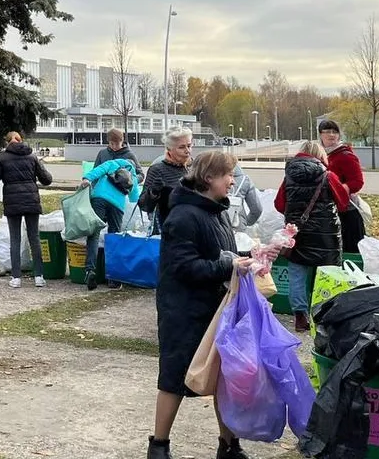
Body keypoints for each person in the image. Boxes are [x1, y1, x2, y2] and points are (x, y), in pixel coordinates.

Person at [148, 151, 252, 459]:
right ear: (209, 179)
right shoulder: (182, 217)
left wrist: (249, 259)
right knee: (175, 378)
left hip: (214, 308)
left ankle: (229, 446)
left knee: (223, 378)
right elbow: (184, 267)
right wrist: (228, 267)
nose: (232, 182)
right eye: (227, 176)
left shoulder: (214, 211)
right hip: (183, 311)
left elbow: (222, 254)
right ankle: (159, 445)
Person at [274, 141, 349, 332]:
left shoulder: (288, 177)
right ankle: (324, 316)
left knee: (297, 275)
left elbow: (279, 204)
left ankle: (300, 316)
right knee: (327, 276)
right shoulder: (327, 175)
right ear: (319, 155)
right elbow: (343, 203)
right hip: (326, 237)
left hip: (297, 235)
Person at [0, 131, 53, 289]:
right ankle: (39, 276)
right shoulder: (32, 157)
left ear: (7, 142)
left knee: (15, 239)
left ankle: (16, 277)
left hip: (13, 202)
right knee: (34, 238)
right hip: (32, 201)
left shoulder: (2, 158)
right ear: (21, 141)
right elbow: (47, 180)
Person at [79, 156, 141, 289]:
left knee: (94, 234)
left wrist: (86, 179)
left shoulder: (113, 164)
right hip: (117, 205)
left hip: (99, 198)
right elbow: (134, 196)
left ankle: (90, 270)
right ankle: (113, 278)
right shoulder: (133, 174)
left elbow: (97, 171)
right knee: (114, 238)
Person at [318, 120, 366, 253]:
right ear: (320, 135)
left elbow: (357, 182)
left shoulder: (345, 155)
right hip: (326, 212)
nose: (331, 135)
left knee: (347, 254)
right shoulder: (320, 155)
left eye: (335, 132)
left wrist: (338, 190)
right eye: (327, 131)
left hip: (346, 213)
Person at [140, 127, 193, 232]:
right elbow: (144, 205)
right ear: (169, 149)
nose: (187, 151)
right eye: (182, 147)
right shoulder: (158, 170)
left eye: (189, 145)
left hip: (194, 229)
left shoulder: (195, 166)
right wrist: (153, 192)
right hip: (169, 231)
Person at [227, 164, 263, 232]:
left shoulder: (214, 179)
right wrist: (246, 222)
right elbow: (257, 209)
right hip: (238, 226)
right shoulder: (245, 180)